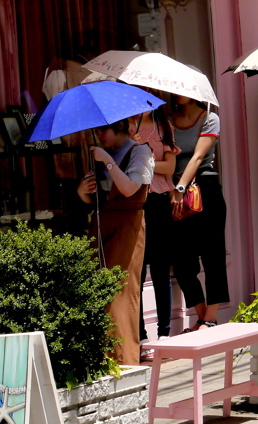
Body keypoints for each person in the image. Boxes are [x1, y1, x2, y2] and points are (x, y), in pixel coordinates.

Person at [77, 119, 154, 365]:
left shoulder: (140, 151)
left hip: (128, 226)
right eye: (96, 129)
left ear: (119, 126)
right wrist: (82, 192)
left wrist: (108, 162)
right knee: (98, 291)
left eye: (103, 129)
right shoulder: (103, 154)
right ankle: (100, 357)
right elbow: (97, 199)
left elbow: (131, 188)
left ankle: (124, 359)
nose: (99, 134)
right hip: (102, 225)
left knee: (121, 292)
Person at [169, 94, 229, 332]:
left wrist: (180, 188)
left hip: (204, 188)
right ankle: (203, 317)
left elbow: (198, 156)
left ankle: (210, 318)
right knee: (181, 260)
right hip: (174, 190)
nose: (177, 93)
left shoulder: (210, 118)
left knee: (212, 256)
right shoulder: (168, 120)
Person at [131, 103, 179, 361]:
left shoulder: (163, 127)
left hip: (160, 200)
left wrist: (146, 160)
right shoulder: (127, 127)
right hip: (137, 201)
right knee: (137, 272)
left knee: (161, 271)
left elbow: (170, 168)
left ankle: (165, 334)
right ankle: (141, 337)